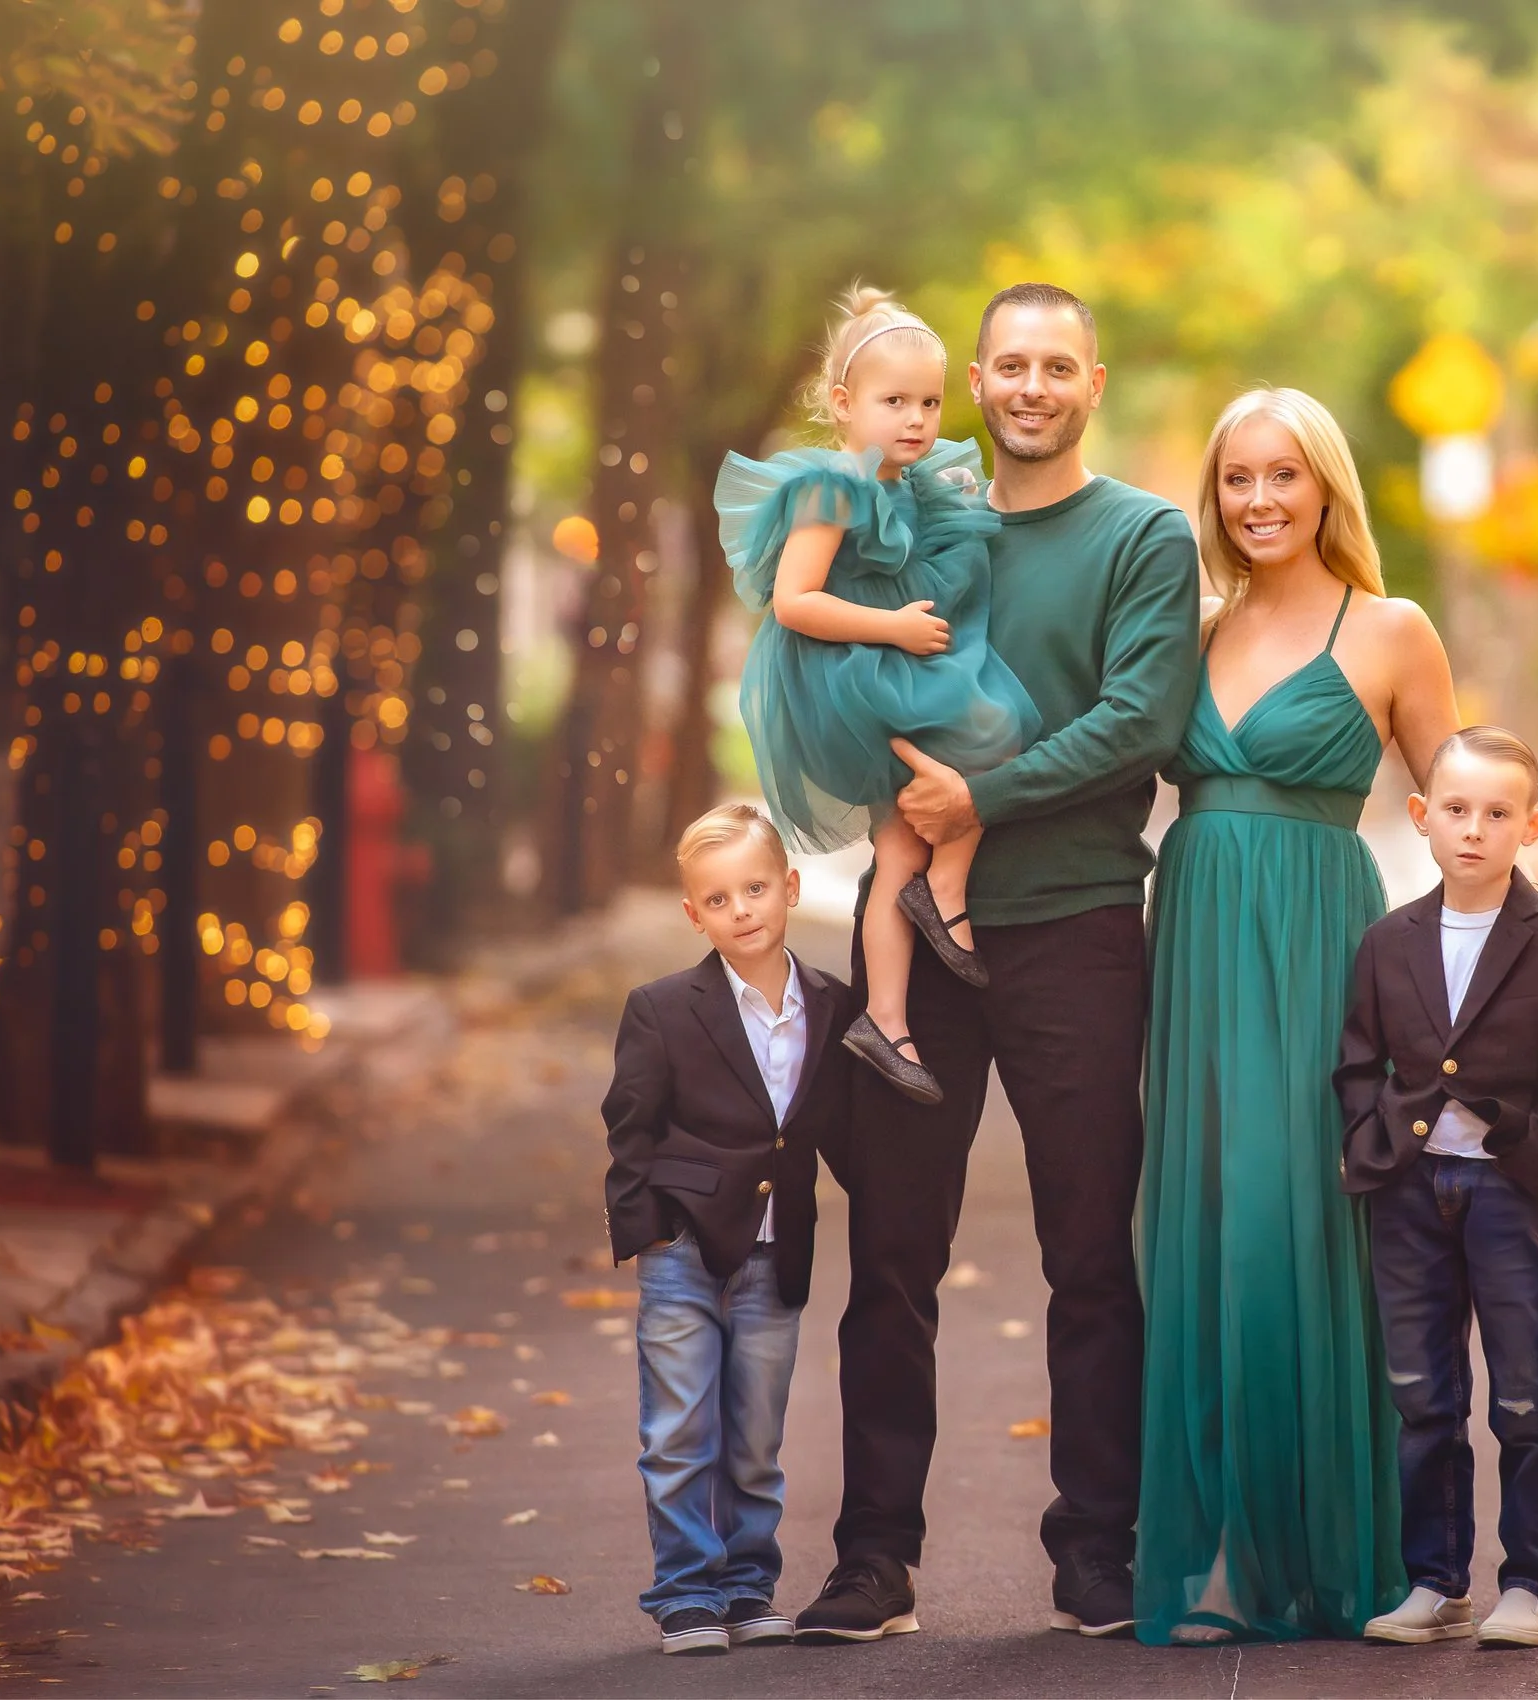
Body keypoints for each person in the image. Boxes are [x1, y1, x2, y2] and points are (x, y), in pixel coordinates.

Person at [792, 283, 1201, 1645]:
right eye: (1008, 365)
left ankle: (1097, 1549)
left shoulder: (1142, 535)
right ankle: (871, 1559)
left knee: (1091, 1249)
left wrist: (983, 803)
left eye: (1056, 366)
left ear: (1096, 378)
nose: (1030, 386)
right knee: (893, 1255)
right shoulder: (917, 512)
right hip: (911, 929)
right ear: (975, 377)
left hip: (1077, 928)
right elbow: (838, 667)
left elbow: (1141, 719)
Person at [1132, 386, 1467, 1644]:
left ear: (1326, 485)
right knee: (1209, 1221)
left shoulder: (1389, 628)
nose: (1259, 499)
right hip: (1201, 941)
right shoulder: (1190, 627)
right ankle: (1221, 1553)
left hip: (1325, 945)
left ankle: (1334, 1546)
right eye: (1236, 479)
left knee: (1298, 1215)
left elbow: (1456, 796)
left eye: (1283, 475)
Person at [712, 286, 1040, 1107]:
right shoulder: (831, 485)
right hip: (853, 668)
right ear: (842, 403)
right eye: (895, 402)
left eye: (930, 401)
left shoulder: (919, 483)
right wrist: (891, 629)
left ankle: (885, 1021)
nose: (918, 420)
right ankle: (950, 890)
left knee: (897, 850)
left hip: (887, 661)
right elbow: (793, 600)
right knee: (1000, 726)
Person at [1338, 727, 1538, 1651]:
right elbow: (1356, 1061)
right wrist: (1366, 1143)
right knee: (1422, 1393)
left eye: (1498, 814)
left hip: (1508, 1193)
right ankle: (1436, 1581)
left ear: (1529, 827)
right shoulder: (1387, 941)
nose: (1473, 830)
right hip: (1410, 1193)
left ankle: (1529, 1584)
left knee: (1525, 1394)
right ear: (1421, 818)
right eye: (1455, 809)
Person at [599, 803, 855, 1656]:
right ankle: (684, 1594)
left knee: (755, 1436)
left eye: (754, 889)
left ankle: (748, 1587)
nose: (740, 909)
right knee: (677, 1433)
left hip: (776, 1255)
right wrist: (647, 1233)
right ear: (693, 915)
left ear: (789, 888)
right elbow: (631, 1125)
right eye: (718, 899)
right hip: (684, 1252)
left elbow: (837, 1126)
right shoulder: (664, 1008)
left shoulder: (831, 1002)